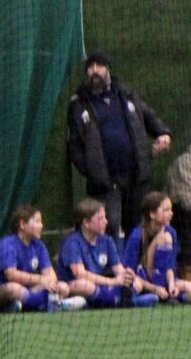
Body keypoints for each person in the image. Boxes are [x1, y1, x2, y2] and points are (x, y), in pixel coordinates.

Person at [65, 52, 171, 238]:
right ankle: (111, 266)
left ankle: (136, 265)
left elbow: (147, 116)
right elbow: (74, 146)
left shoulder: (126, 94)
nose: (94, 71)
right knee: (109, 224)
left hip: (136, 174)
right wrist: (92, 169)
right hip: (106, 181)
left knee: (137, 226)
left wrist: (163, 132)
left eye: (99, 66)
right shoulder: (79, 104)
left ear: (108, 70)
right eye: (90, 68)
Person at [0, 205, 87, 313]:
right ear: (22, 224)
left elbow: (50, 274)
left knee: (63, 287)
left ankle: (20, 306)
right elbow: (11, 275)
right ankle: (52, 305)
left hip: (26, 291)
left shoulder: (38, 245)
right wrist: (41, 280)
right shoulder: (7, 245)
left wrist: (50, 283)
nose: (41, 226)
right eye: (37, 221)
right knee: (13, 288)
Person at [59, 198, 159, 309]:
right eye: (100, 218)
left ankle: (114, 300)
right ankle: (125, 301)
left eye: (105, 217)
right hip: (78, 286)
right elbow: (80, 274)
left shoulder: (107, 241)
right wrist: (111, 282)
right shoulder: (73, 242)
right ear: (86, 223)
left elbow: (118, 269)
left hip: (103, 286)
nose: (106, 221)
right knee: (84, 285)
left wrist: (126, 275)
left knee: (136, 282)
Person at [123, 192, 191, 304]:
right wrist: (154, 288)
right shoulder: (137, 235)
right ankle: (141, 299)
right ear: (152, 214)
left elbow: (170, 266)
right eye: (166, 210)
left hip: (165, 280)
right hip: (144, 282)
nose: (171, 213)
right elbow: (129, 272)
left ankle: (171, 297)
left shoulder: (171, 232)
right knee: (134, 285)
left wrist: (171, 285)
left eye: (171, 209)